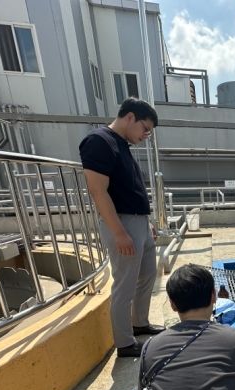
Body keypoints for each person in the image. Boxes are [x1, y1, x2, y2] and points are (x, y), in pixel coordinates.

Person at [80, 98, 164, 357]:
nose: (146, 135)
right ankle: (125, 343)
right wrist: (119, 233)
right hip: (122, 222)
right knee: (125, 284)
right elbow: (98, 191)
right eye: (145, 129)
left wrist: (146, 224)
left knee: (148, 273)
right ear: (130, 117)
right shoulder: (99, 141)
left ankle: (139, 323)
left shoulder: (122, 145)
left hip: (138, 222)